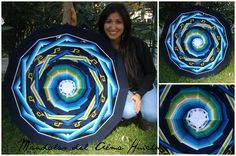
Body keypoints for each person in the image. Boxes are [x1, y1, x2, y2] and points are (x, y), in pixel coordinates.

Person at [98, 3, 157, 130]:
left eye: (118, 22)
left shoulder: (138, 44)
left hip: (143, 87)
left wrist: (139, 94)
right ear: (103, 24)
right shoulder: (99, 47)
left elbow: (151, 73)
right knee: (128, 112)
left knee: (152, 115)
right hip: (122, 90)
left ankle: (142, 114)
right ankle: (132, 113)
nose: (113, 27)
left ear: (125, 25)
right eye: (108, 21)